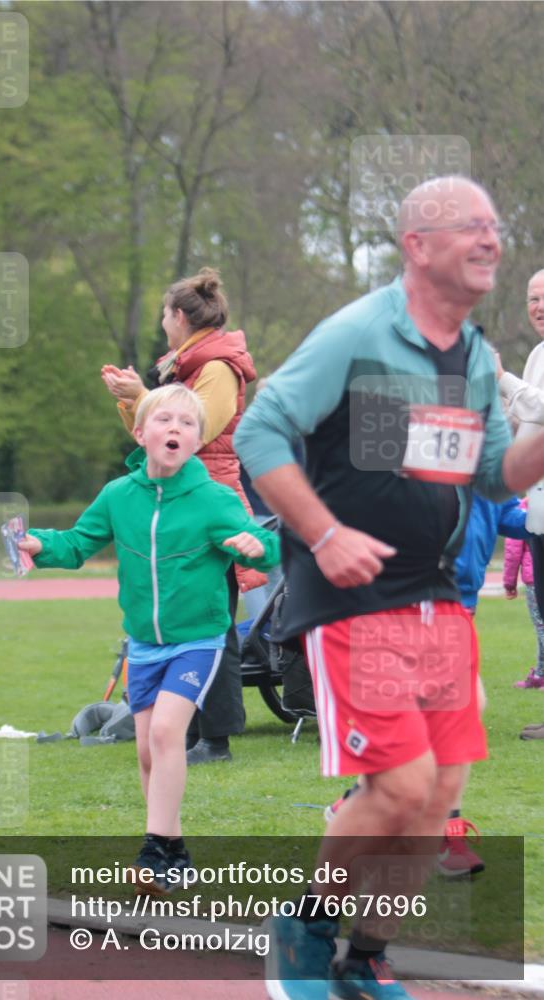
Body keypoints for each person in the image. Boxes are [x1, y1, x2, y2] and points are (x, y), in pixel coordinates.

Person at [235, 176, 544, 1000]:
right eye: (468, 227)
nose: (489, 240)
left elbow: (492, 474)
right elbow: (260, 431)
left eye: (494, 226)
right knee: (399, 785)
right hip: (353, 595)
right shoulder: (358, 333)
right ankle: (302, 928)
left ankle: (364, 954)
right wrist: (324, 533)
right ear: (417, 245)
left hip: (440, 597)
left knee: (439, 793)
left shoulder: (473, 353)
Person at [18, 385, 279, 890]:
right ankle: (175, 853)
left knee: (166, 734)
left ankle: (152, 850)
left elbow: (264, 546)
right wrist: (37, 543)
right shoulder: (119, 496)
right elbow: (75, 545)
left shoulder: (214, 499)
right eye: (164, 420)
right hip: (143, 643)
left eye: (186, 423)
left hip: (199, 641)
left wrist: (256, 544)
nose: (175, 428)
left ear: (199, 440)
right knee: (145, 752)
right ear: (140, 433)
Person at [101, 268, 262, 765]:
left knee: (213, 622)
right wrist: (133, 405)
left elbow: (198, 428)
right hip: (181, 503)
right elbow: (156, 433)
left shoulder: (214, 368)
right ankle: (192, 735)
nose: (161, 323)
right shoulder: (185, 366)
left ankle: (216, 740)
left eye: (164, 314)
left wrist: (144, 399)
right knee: (182, 619)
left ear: (179, 316)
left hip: (207, 505)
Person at [497, 268, 544, 738]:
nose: (538, 307)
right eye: (532, 298)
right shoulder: (538, 353)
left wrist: (504, 378)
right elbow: (523, 416)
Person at [504, 498, 544, 689]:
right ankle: (540, 673)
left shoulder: (524, 508)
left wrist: (509, 582)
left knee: (541, 627)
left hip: (534, 578)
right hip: (534, 575)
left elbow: (513, 551)